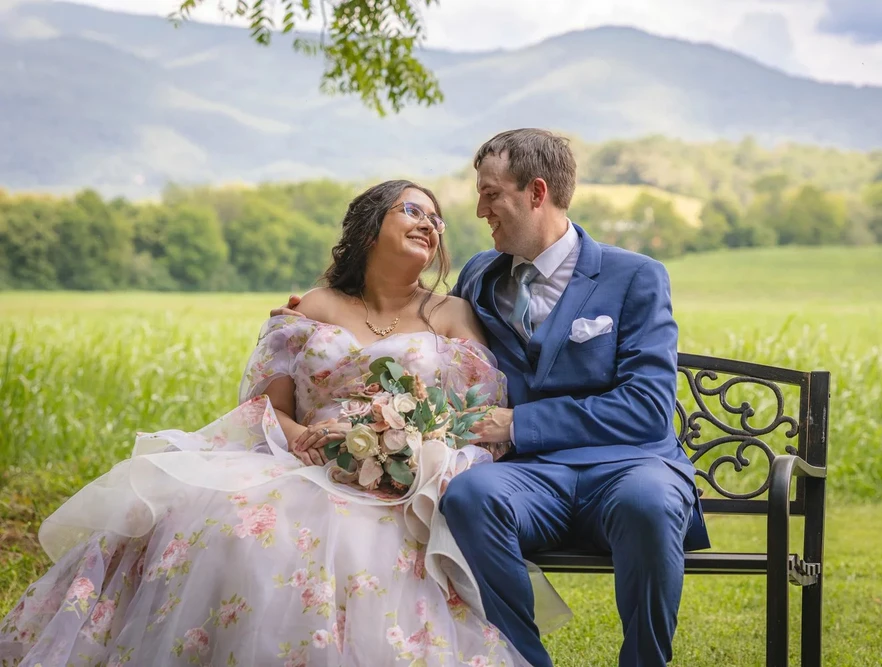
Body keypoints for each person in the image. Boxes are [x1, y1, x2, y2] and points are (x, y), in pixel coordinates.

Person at [0, 180, 537, 667]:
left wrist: (392, 443)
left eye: (437, 220)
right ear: (372, 226)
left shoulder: (449, 314)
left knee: (349, 543)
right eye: (414, 210)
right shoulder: (315, 306)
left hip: (399, 477)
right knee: (219, 522)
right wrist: (303, 436)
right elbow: (264, 406)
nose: (430, 224)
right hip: (298, 459)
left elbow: (473, 414)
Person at [274, 129, 711, 667]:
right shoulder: (480, 275)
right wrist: (316, 317)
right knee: (469, 495)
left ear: (537, 192)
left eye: (491, 194)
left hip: (627, 467)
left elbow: (645, 408)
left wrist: (517, 423)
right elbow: (424, 336)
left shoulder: (635, 276)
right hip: (529, 479)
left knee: (648, 504)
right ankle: (525, 660)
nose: (479, 209)